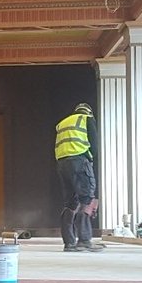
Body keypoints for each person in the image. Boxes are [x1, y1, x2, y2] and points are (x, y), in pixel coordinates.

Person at [55, 103, 102, 252]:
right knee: (86, 198)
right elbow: (94, 145)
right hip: (80, 161)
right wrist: (90, 160)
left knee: (70, 202)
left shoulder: (63, 123)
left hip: (62, 163)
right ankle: (84, 239)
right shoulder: (86, 118)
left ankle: (69, 242)